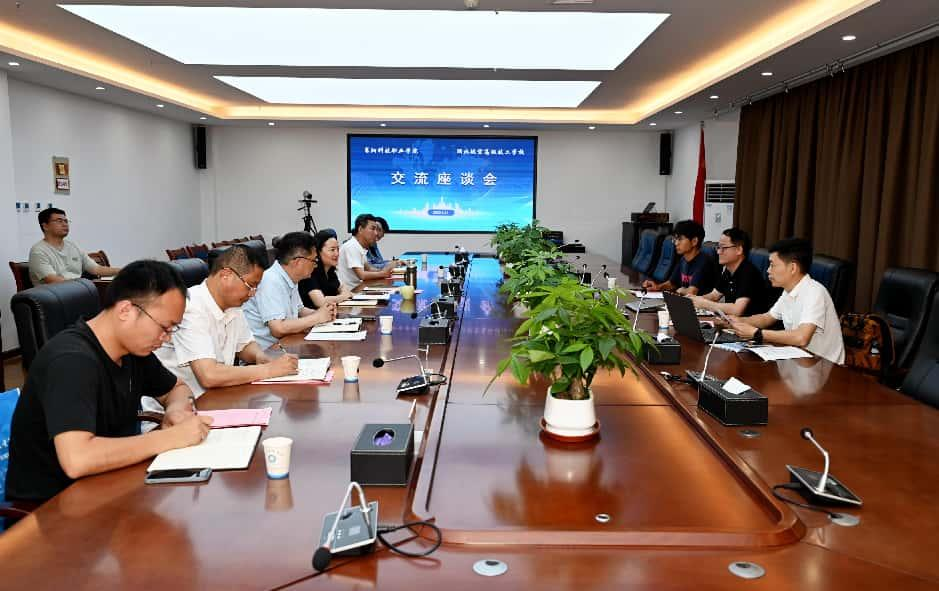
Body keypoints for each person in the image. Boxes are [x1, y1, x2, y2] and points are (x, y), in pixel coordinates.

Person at [5, 260, 213, 502]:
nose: (166, 339)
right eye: (164, 327)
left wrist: (176, 409)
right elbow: (77, 459)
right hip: (54, 506)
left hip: (113, 482)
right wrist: (169, 438)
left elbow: (176, 388)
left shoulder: (133, 350)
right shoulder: (70, 361)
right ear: (125, 311)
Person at [155, 244, 299, 398]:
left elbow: (244, 345)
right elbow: (209, 375)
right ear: (226, 275)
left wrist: (260, 356)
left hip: (219, 396)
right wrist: (269, 370)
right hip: (183, 405)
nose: (252, 294)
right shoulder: (190, 308)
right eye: (250, 286)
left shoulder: (233, 305)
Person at [727, 237, 845, 364]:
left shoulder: (814, 292)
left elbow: (801, 337)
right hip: (800, 360)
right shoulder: (788, 291)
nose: (768, 270)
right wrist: (736, 321)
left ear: (793, 268)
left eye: (772, 265)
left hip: (825, 366)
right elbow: (766, 318)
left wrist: (756, 333)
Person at [242, 231, 336, 349]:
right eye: (313, 261)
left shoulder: (290, 277)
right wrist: (317, 317)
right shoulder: (270, 281)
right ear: (298, 262)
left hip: (287, 344)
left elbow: (299, 310)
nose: (315, 265)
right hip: (268, 352)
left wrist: (324, 313)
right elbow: (278, 328)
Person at [28, 207, 121, 285]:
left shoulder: (73, 246)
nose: (65, 224)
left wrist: (123, 271)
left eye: (66, 221)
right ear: (45, 226)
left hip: (78, 291)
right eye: (59, 221)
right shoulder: (38, 251)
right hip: (54, 296)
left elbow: (96, 269)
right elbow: (53, 281)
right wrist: (86, 285)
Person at [687, 228, 767, 316]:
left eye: (723, 248)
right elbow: (714, 295)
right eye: (718, 247)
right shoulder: (728, 270)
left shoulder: (748, 273)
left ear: (739, 250)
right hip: (731, 320)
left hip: (748, 322)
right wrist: (694, 299)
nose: (718, 252)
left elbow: (737, 310)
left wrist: (705, 304)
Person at [641, 219, 717, 296]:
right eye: (675, 239)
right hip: (685, 300)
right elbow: (672, 283)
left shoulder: (703, 262)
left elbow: (692, 292)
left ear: (694, 241)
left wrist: (681, 290)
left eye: (680, 239)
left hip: (699, 302)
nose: (676, 243)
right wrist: (658, 287)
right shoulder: (683, 259)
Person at [337, 214, 397, 289]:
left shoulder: (360, 246)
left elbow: (369, 268)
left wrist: (386, 269)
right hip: (351, 291)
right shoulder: (352, 246)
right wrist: (383, 273)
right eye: (372, 229)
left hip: (360, 288)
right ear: (360, 229)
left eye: (376, 230)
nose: (376, 233)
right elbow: (362, 275)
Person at [298, 229, 353, 309]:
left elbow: (342, 288)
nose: (337, 254)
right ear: (318, 252)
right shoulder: (311, 271)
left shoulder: (330, 271)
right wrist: (343, 297)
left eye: (338, 249)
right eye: (332, 250)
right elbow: (320, 302)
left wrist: (343, 294)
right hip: (313, 314)